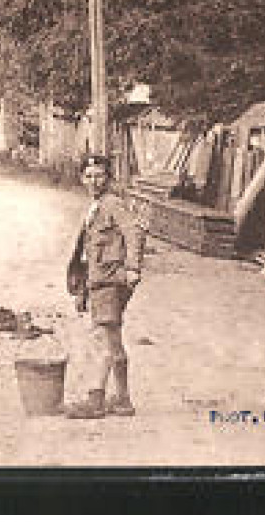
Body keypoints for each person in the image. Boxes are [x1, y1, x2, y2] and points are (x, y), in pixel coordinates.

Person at [64, 152, 147, 419]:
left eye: (99, 175)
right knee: (113, 338)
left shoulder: (112, 204)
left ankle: (95, 400)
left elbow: (134, 231)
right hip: (99, 281)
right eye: (88, 176)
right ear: (81, 178)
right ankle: (122, 400)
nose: (93, 181)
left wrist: (133, 267)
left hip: (111, 280)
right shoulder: (94, 207)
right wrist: (82, 289)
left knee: (103, 339)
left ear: (108, 178)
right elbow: (88, 254)